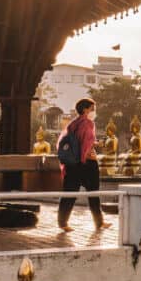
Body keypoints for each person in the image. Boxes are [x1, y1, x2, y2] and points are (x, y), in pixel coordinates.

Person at [57, 98, 105, 231]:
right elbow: (86, 144)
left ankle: (62, 223)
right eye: (92, 109)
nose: (93, 112)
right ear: (85, 109)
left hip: (72, 163)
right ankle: (99, 222)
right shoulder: (88, 123)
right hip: (87, 162)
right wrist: (97, 144)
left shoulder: (73, 124)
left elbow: (75, 141)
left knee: (69, 193)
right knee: (93, 193)